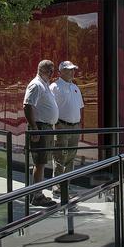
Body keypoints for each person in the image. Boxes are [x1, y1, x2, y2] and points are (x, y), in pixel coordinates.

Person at [23, 59, 59, 207]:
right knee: (40, 162)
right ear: (45, 70)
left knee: (42, 162)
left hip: (46, 127)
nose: (52, 73)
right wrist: (34, 127)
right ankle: (36, 195)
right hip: (40, 127)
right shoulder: (36, 85)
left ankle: (37, 193)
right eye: (51, 70)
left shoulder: (44, 85)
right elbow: (27, 105)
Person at [50, 60, 84, 199]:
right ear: (61, 71)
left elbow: (80, 107)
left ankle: (66, 186)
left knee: (71, 157)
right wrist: (56, 124)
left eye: (73, 69)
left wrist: (79, 124)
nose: (72, 72)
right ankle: (57, 188)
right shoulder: (54, 87)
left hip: (75, 126)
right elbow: (51, 108)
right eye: (69, 69)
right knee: (60, 157)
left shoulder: (75, 87)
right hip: (61, 126)